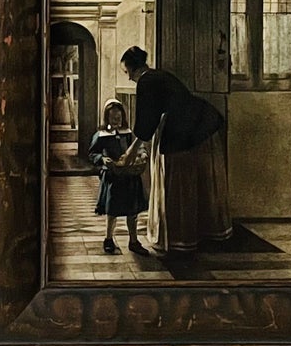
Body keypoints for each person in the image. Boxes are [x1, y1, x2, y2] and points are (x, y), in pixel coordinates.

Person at [118, 45, 232, 254]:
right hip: (201, 127)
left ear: (134, 69)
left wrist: (130, 153)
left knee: (180, 184)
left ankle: (181, 238)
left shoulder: (146, 81)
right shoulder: (158, 75)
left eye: (127, 72)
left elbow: (146, 123)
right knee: (196, 183)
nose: (128, 79)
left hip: (184, 132)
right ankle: (200, 234)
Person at [88, 99, 150, 256]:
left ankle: (133, 241)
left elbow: (138, 147)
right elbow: (92, 153)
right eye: (113, 118)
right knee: (113, 211)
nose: (116, 121)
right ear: (107, 118)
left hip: (129, 176)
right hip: (113, 177)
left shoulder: (128, 133)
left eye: (119, 118)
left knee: (132, 211)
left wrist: (142, 153)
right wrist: (102, 159)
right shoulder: (101, 135)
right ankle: (108, 239)